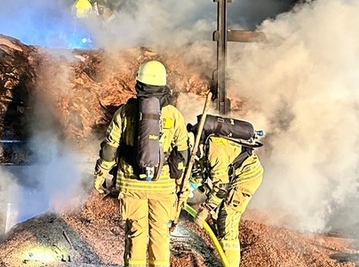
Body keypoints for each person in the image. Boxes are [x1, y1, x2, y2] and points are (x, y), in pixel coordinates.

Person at [93, 60, 189, 267]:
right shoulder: (174, 115)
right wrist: (183, 186)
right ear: (163, 86)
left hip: (131, 183)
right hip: (163, 186)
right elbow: (182, 154)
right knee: (160, 233)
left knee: (136, 231)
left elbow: (110, 149)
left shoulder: (124, 113)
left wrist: (100, 175)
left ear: (138, 84)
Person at [192, 126, 264, 267]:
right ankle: (221, 246)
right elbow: (199, 174)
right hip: (235, 174)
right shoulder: (203, 143)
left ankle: (229, 263)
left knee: (228, 217)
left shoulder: (214, 151)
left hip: (247, 176)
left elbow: (220, 188)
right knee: (220, 213)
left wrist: (204, 211)